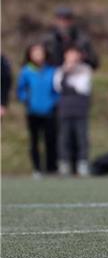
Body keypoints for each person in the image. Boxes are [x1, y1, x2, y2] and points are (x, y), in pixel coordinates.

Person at [17, 44, 59, 177]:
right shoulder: (26, 71)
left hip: (49, 111)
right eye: (35, 53)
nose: (38, 55)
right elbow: (21, 90)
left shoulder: (51, 70)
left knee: (50, 139)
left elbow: (57, 89)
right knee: (34, 140)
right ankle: (37, 168)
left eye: (40, 52)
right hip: (33, 111)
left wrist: (53, 101)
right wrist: (26, 99)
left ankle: (51, 168)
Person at [53, 44, 93, 176]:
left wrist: (69, 84)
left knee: (81, 137)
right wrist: (66, 73)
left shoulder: (85, 70)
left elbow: (83, 88)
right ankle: (64, 164)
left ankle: (82, 164)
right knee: (64, 137)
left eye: (75, 54)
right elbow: (57, 86)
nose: (72, 57)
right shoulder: (60, 70)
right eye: (70, 54)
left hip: (80, 109)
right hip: (65, 109)